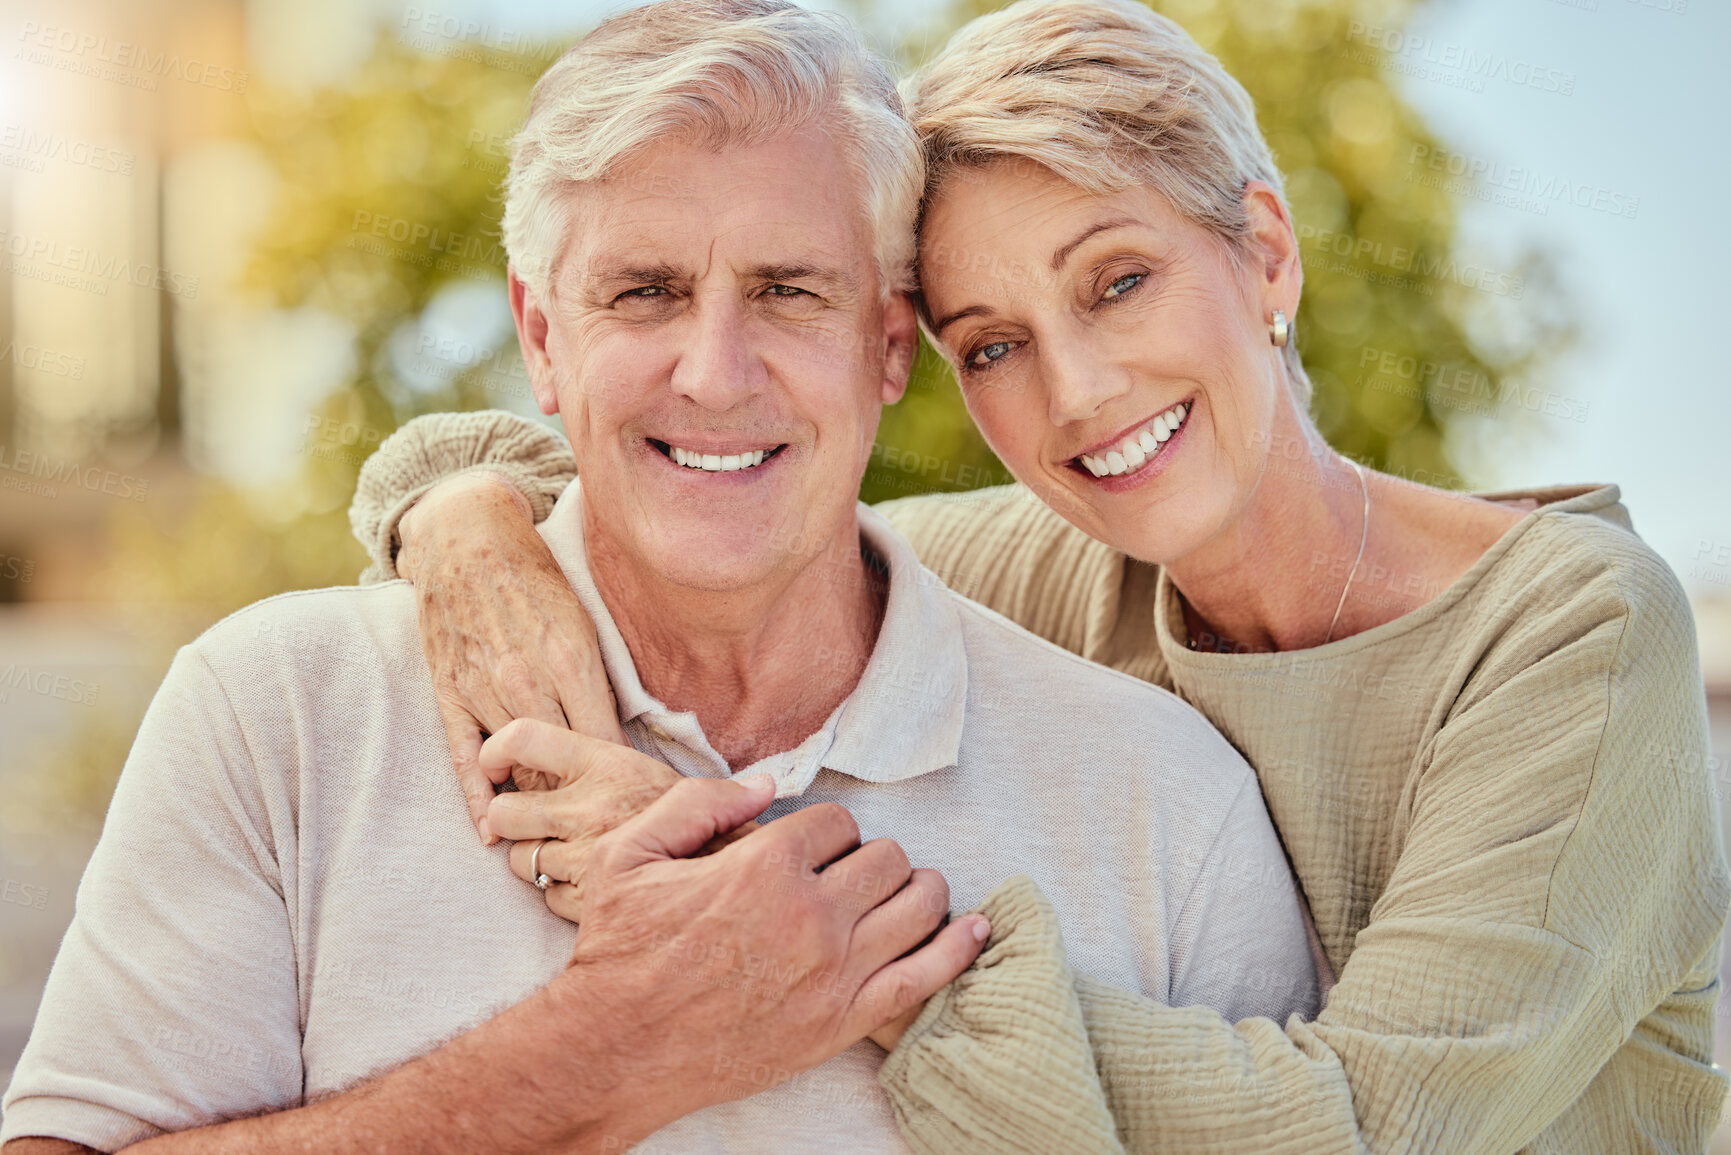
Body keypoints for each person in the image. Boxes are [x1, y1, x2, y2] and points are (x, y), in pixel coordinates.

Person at [356, 0, 1731, 1150]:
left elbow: (1367, 1128)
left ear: (1264, 252)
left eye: (1118, 280)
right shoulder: (1058, 563)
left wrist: (768, 909)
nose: (1077, 393)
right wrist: (467, 517)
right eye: (994, 343)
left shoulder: (1573, 628)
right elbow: (698, 503)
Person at [0, 3, 1323, 1153]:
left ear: (885, 343)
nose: (714, 370)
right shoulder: (276, 714)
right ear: (540, 340)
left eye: (788, 291)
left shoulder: (1171, 808)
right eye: (642, 293)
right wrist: (608, 1049)